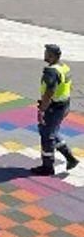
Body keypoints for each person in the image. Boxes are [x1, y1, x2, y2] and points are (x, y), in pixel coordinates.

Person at [31, 44, 77, 176]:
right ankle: (70, 158)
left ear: (51, 55)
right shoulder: (64, 67)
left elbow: (50, 92)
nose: (44, 55)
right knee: (51, 131)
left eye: (46, 53)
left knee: (47, 136)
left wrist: (42, 110)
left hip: (53, 108)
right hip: (64, 105)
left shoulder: (51, 71)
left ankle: (47, 166)